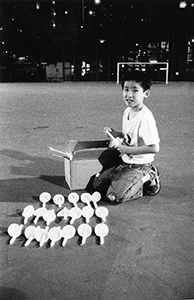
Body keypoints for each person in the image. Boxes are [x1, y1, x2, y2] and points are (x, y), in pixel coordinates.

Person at [91, 70, 161, 203]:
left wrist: (124, 149)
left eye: (135, 90)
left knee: (115, 197)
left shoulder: (145, 118)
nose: (129, 95)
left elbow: (154, 148)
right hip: (125, 161)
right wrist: (116, 133)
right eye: (126, 89)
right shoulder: (128, 111)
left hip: (140, 164)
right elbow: (129, 135)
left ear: (146, 93)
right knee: (98, 184)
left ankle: (149, 175)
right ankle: (125, 178)